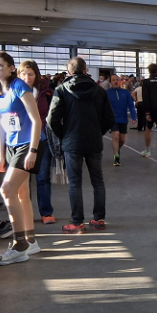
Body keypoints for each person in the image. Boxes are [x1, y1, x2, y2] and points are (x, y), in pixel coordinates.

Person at [0, 52, 44, 265]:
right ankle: (30, 241)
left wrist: (33, 151)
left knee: (7, 189)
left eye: (0, 65)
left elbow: (36, 121)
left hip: (29, 144)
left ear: (11, 68)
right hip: (11, 146)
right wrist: (0, 155)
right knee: (21, 192)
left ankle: (19, 245)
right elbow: (0, 124)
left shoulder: (20, 86)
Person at [47, 57, 115, 233]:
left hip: (72, 143)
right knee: (97, 181)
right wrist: (97, 131)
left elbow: (51, 119)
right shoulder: (99, 91)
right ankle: (99, 218)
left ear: (69, 72)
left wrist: (64, 135)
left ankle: (77, 223)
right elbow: (109, 118)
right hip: (93, 141)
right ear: (86, 70)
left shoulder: (61, 90)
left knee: (75, 183)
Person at [18, 60, 56, 225]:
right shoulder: (13, 91)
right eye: (23, 74)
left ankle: (46, 211)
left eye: (31, 74)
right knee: (22, 180)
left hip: (42, 139)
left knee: (42, 177)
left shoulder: (46, 92)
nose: (27, 77)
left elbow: (52, 114)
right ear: (18, 74)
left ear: (36, 75)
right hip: (20, 141)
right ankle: (25, 213)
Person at [106, 74, 137, 167]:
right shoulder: (107, 93)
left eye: (117, 80)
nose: (115, 81)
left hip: (123, 119)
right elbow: (103, 106)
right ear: (111, 82)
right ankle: (116, 157)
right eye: (113, 80)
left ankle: (117, 150)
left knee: (122, 139)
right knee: (115, 136)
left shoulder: (126, 92)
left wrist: (133, 117)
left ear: (119, 81)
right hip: (112, 119)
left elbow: (131, 105)